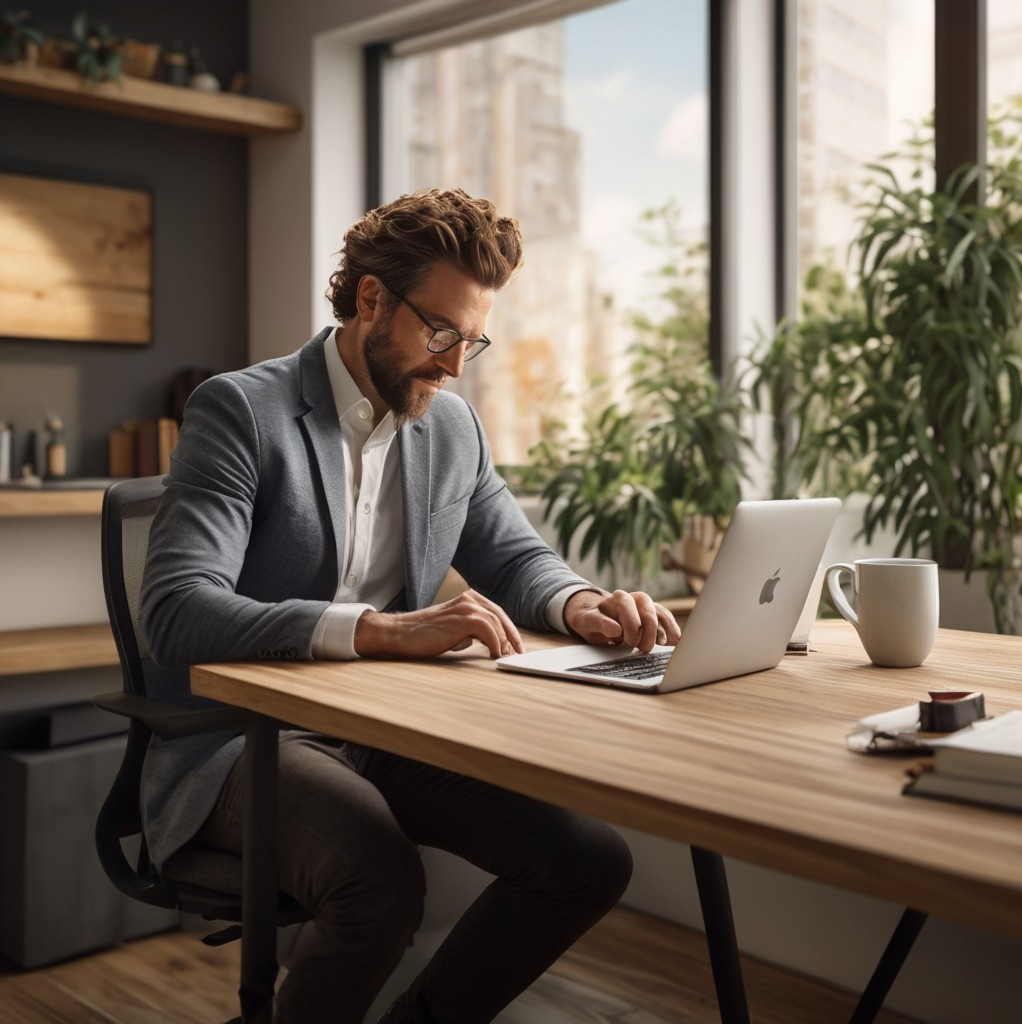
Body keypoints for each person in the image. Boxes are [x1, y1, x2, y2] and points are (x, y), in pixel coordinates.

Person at [140, 187, 682, 1024]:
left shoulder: (452, 428)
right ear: (370, 301)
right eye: (441, 334)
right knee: (381, 881)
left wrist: (580, 605)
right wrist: (378, 630)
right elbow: (178, 611)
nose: (456, 364)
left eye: (473, 340)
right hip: (241, 740)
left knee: (585, 860)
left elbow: (514, 554)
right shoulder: (242, 410)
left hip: (384, 730)